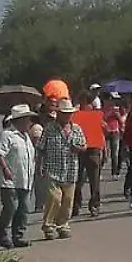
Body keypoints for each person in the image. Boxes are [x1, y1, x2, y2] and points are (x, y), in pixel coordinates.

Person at [37, 98, 87, 240]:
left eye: (69, 113)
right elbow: (41, 147)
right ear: (58, 114)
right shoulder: (49, 128)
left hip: (70, 169)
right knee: (54, 198)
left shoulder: (76, 129)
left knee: (68, 200)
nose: (67, 116)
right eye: (64, 113)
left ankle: (63, 225)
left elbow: (84, 146)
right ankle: (48, 226)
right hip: (53, 168)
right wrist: (39, 165)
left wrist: (77, 148)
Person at [0, 105, 37, 248]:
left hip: (25, 179)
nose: (30, 123)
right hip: (10, 180)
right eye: (27, 119)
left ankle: (18, 236)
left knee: (23, 209)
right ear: (19, 120)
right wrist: (5, 169)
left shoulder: (26, 137)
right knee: (11, 207)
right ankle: (1, 234)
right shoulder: (7, 135)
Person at [72, 90, 107, 219]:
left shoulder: (94, 116)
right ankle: (81, 205)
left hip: (91, 150)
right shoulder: (76, 116)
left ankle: (90, 205)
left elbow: (103, 132)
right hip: (82, 150)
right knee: (80, 180)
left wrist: (103, 148)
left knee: (90, 180)